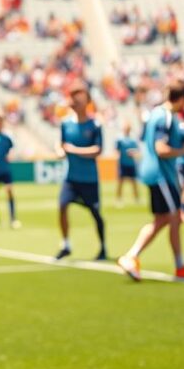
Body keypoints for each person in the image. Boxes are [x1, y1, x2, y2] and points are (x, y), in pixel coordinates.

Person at [117, 80, 184, 281]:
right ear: (182, 99)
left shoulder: (158, 114)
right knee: (174, 217)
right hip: (161, 175)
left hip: (156, 173)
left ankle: (132, 256)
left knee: (163, 219)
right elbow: (161, 149)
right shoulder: (165, 117)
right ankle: (179, 265)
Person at [54, 81, 107, 261]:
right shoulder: (65, 124)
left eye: (80, 98)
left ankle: (103, 247)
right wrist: (60, 151)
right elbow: (61, 146)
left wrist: (72, 150)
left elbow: (98, 150)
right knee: (62, 206)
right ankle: (66, 245)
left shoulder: (95, 125)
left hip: (90, 179)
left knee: (96, 213)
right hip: (72, 178)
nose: (76, 102)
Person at [114, 121, 139, 207]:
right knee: (120, 183)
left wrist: (133, 153)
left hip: (131, 164)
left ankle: (136, 198)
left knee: (134, 182)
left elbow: (137, 151)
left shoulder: (133, 139)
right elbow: (116, 150)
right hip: (122, 164)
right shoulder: (119, 139)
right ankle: (118, 199)